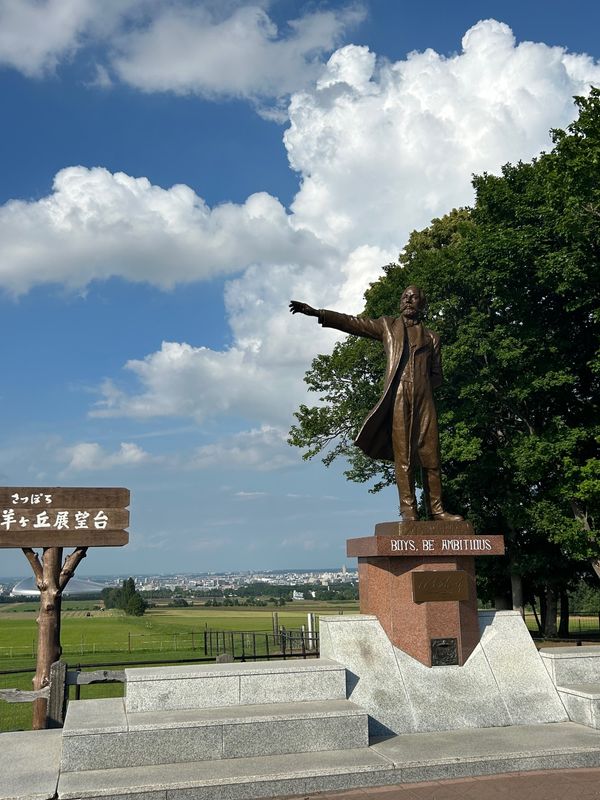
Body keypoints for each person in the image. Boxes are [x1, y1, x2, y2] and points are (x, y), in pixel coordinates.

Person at [289, 286, 463, 522]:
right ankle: (409, 510)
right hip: (398, 395)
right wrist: (318, 313)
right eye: (404, 296)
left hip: (424, 399)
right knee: (404, 456)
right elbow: (353, 323)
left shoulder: (432, 338)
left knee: (431, 455)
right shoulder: (388, 326)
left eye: (413, 297)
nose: (408, 300)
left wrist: (420, 387)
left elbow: (437, 375)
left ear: (422, 303)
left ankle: (437, 510)